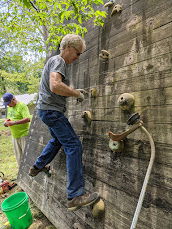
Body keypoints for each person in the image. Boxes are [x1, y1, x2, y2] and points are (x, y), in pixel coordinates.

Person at [29, 34, 99, 211]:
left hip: (45, 111)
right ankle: (75, 195)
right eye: (77, 53)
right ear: (68, 48)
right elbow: (55, 86)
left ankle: (37, 166)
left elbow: (57, 88)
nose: (77, 58)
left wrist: (75, 91)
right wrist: (76, 94)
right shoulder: (59, 61)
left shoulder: (54, 62)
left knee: (58, 140)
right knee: (74, 145)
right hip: (52, 112)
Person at [2, 93, 31, 166]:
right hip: (14, 136)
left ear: (13, 99)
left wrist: (14, 123)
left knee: (27, 157)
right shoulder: (10, 108)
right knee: (19, 159)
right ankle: (22, 175)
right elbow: (9, 119)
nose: (8, 105)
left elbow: (27, 119)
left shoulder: (22, 106)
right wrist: (6, 122)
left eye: (8, 103)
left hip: (24, 135)